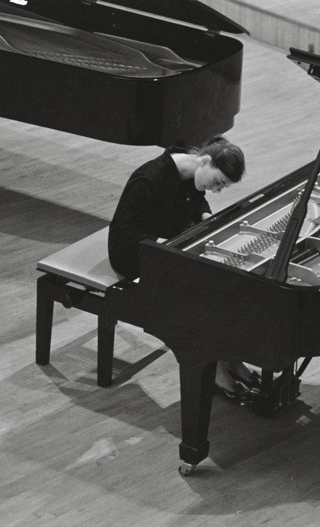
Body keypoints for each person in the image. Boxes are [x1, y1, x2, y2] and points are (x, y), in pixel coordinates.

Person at [107, 134, 257, 403]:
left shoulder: (192, 170)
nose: (216, 190)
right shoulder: (149, 179)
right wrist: (166, 246)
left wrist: (205, 217)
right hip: (134, 256)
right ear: (206, 161)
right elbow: (123, 234)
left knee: (229, 281)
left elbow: (196, 197)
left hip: (168, 248)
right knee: (206, 293)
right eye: (219, 182)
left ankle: (230, 359)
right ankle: (216, 369)